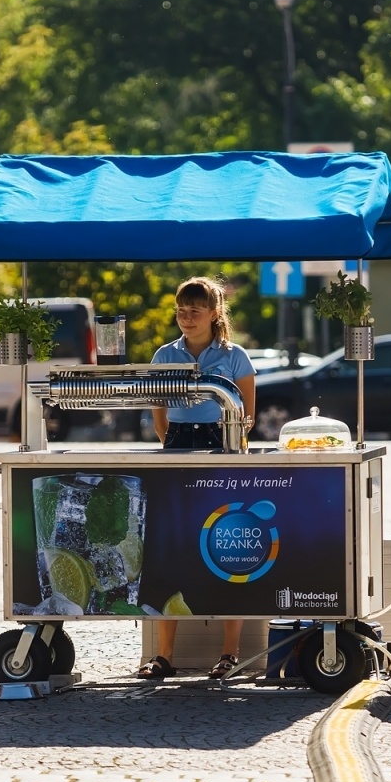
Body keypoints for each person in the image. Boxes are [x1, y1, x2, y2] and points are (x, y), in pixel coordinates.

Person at [138, 277, 256, 680]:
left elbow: (246, 417)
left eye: (195, 310)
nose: (187, 318)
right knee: (171, 547)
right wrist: (170, 441)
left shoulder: (235, 356)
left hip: (221, 443)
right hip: (178, 443)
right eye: (181, 310)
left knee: (225, 546)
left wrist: (228, 448)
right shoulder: (165, 354)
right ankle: (163, 655)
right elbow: (157, 409)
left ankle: (229, 653)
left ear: (213, 313)